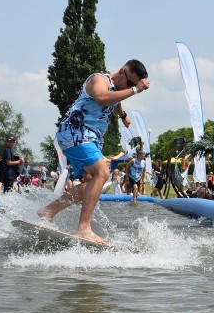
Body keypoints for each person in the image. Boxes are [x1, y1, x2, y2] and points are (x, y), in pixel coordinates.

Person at [38, 59, 149, 244]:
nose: (129, 87)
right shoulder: (99, 80)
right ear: (121, 71)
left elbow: (116, 99)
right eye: (130, 83)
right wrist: (135, 90)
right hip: (75, 132)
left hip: (90, 138)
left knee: (90, 184)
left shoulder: (116, 88)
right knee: (103, 172)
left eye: (132, 85)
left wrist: (123, 116)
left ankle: (48, 211)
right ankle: (83, 228)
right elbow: (102, 97)